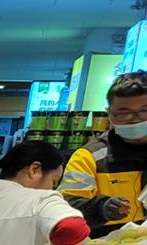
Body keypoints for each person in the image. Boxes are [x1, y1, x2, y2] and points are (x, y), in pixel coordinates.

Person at [60, 70, 147, 233]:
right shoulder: (89, 157)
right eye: (124, 113)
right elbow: (66, 206)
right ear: (109, 114)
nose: (136, 119)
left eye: (145, 111)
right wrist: (101, 208)